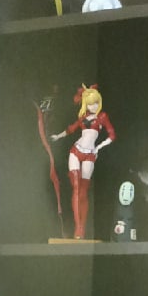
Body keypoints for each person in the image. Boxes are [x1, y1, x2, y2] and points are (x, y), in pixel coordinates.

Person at [51, 84, 115, 240]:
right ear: (86, 104)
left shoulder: (102, 117)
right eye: (91, 103)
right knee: (76, 187)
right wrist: (58, 136)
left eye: (96, 103)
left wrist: (98, 147)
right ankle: (77, 227)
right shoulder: (82, 117)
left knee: (83, 191)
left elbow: (112, 135)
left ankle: (81, 228)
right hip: (76, 151)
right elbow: (71, 129)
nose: (94, 106)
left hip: (90, 154)